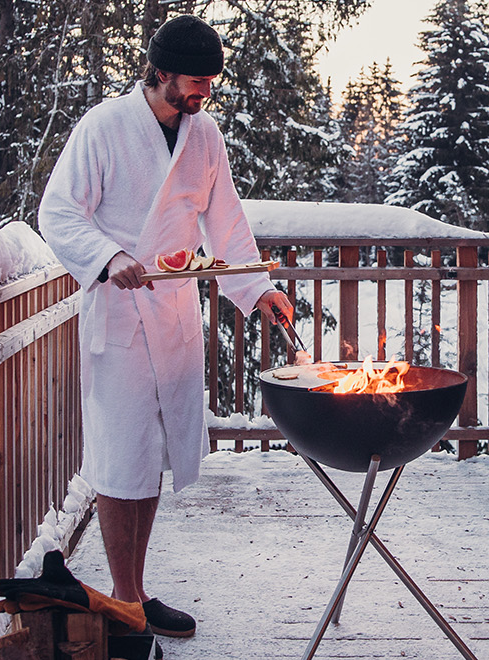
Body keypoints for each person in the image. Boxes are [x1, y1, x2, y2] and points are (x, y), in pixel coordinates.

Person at [38, 15, 294, 639]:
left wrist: (257, 289)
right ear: (159, 73)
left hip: (174, 312)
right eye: (195, 81)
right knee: (121, 455)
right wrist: (108, 258)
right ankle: (127, 600)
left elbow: (226, 221)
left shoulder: (204, 136)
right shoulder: (103, 127)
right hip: (120, 312)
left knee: (149, 456)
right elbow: (58, 212)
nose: (203, 92)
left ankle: (134, 594)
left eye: (211, 82)